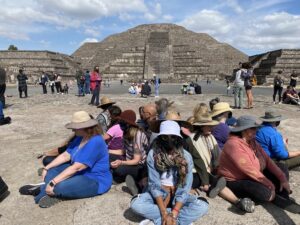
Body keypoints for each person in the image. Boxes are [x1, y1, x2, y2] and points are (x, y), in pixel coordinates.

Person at [19, 111, 112, 208]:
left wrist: (52, 182)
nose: (72, 130)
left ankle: (42, 190)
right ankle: (47, 190)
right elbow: (66, 155)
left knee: (59, 186)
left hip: (95, 179)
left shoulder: (95, 141)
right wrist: (46, 168)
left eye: (74, 128)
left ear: (83, 127)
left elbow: (77, 167)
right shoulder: (81, 137)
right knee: (52, 170)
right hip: (79, 173)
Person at [130, 120, 209, 225]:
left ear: (178, 138)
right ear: (160, 138)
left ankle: (162, 220)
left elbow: (185, 188)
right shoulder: (153, 154)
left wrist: (175, 212)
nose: (169, 140)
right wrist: (164, 213)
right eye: (165, 137)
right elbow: (154, 185)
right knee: (136, 204)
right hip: (159, 194)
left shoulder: (186, 157)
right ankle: (173, 220)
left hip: (178, 194)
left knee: (202, 205)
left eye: (172, 137)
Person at [218, 115, 299, 213]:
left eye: (256, 128)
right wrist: (270, 185)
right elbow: (249, 170)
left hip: (254, 173)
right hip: (237, 179)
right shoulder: (233, 144)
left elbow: (268, 160)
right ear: (244, 130)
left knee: (282, 167)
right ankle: (275, 196)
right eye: (253, 128)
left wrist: (282, 179)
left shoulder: (252, 141)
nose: (256, 130)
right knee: (265, 193)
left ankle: (282, 196)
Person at [110, 110, 149, 184]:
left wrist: (121, 162)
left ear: (128, 124)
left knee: (119, 169)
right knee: (108, 156)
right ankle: (119, 176)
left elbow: (136, 160)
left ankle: (132, 179)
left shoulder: (137, 135)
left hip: (139, 165)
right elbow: (125, 151)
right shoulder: (126, 133)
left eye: (122, 122)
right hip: (128, 160)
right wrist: (108, 151)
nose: (120, 124)